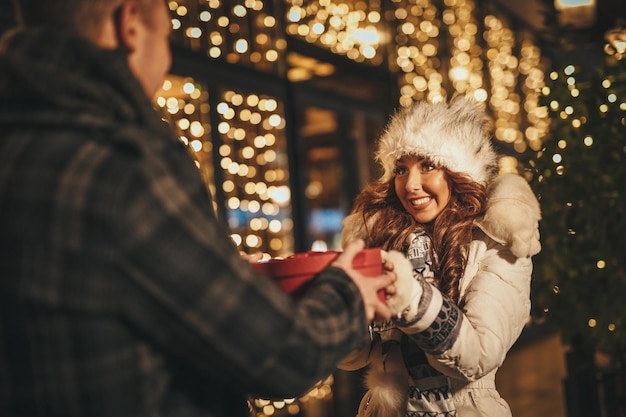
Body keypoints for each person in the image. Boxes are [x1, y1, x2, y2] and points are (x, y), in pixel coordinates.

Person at [0, 1, 395, 416]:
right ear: (130, 24)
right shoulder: (124, 166)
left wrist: (216, 270)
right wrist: (347, 289)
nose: (166, 56)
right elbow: (284, 356)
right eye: (167, 36)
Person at [338, 95, 542, 417]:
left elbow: (477, 357)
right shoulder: (381, 238)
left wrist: (411, 298)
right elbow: (358, 356)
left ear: (458, 172)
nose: (411, 185)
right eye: (401, 169)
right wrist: (334, 305)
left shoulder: (495, 242)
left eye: (428, 166)